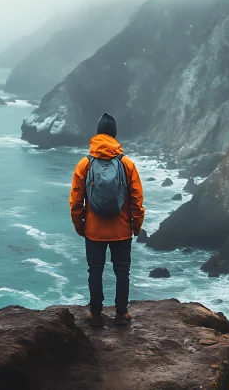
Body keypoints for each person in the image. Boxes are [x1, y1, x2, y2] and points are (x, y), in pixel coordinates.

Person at [69, 113, 145, 327]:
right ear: (114, 135)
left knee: (95, 270)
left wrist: (79, 225)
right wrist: (136, 225)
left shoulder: (84, 164)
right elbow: (137, 198)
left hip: (94, 230)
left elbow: (76, 200)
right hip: (121, 230)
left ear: (97, 134)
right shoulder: (126, 164)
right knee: (122, 271)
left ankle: (95, 313)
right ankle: (121, 313)